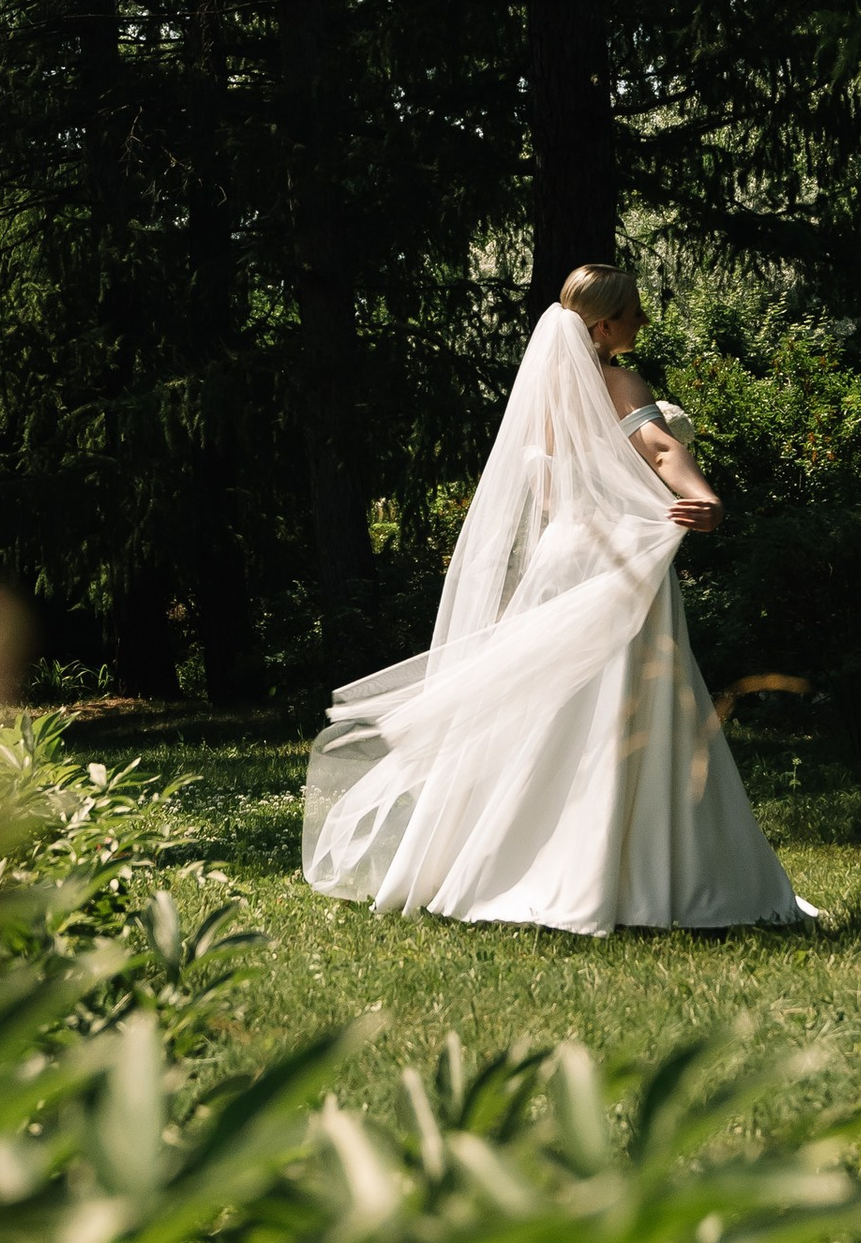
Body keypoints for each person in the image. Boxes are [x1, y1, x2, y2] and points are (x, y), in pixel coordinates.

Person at [301, 264, 815, 936]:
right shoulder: (620, 382)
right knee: (632, 704)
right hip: (621, 555)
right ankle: (637, 872)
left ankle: (499, 861)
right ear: (603, 325)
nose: (642, 323)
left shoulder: (544, 397)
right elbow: (659, 450)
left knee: (548, 705)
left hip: (567, 554)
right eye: (633, 312)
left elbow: (548, 494)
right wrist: (706, 499)